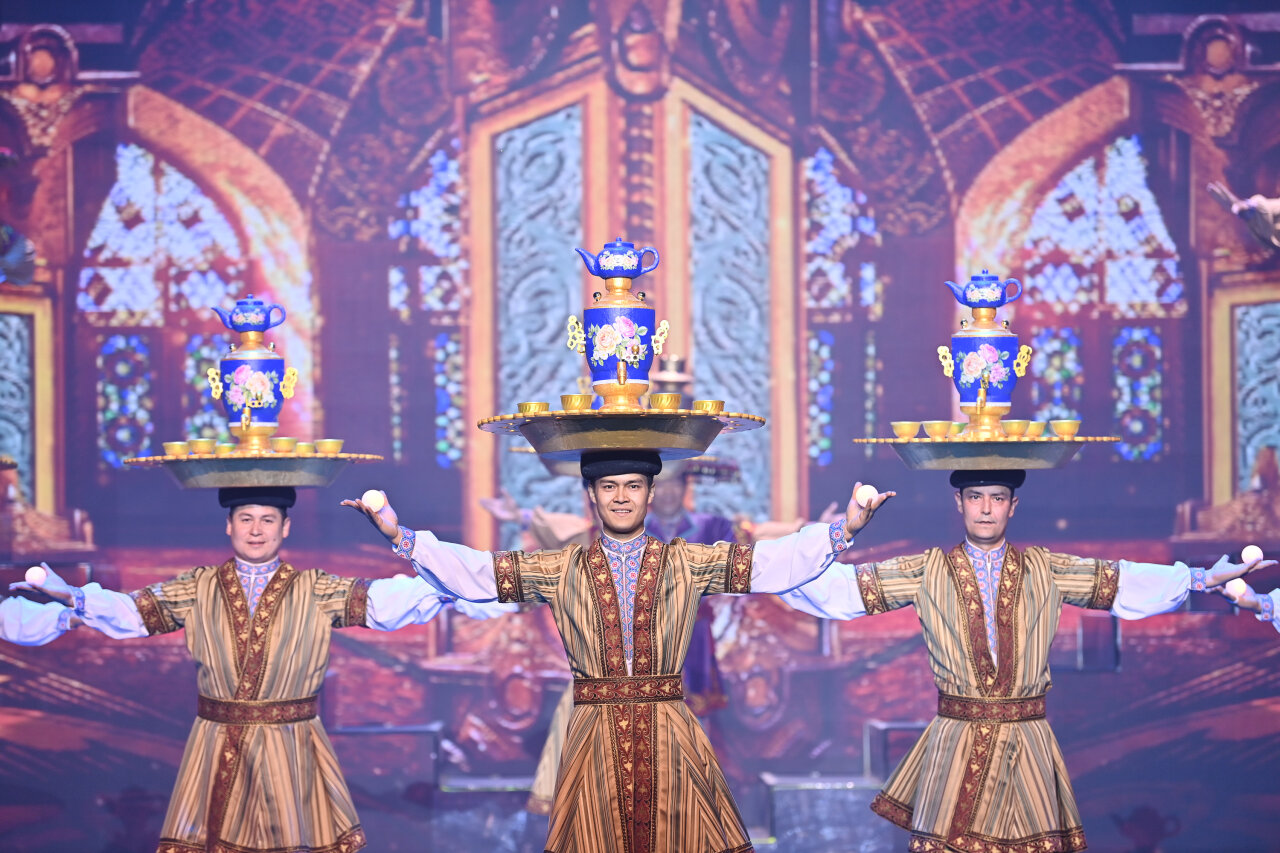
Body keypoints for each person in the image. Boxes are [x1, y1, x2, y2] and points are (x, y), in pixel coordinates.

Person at [346, 449, 893, 853]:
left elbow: (769, 564)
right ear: (592, 495)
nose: (623, 496)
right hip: (592, 732)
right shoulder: (560, 568)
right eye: (609, 486)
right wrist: (402, 538)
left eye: (634, 485)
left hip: (671, 730)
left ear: (651, 493)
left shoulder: (687, 562)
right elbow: (479, 573)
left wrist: (843, 530)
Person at [776, 469, 1272, 853]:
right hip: (956, 741)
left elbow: (1121, 581)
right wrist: (840, 532)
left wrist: (1201, 579)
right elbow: (841, 591)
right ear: (959, 503)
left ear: (1013, 506)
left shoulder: (1045, 568)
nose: (985, 508)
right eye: (975, 497)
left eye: (997, 498)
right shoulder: (926, 570)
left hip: (1028, 740)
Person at [4, 485, 515, 853]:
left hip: (294, 743)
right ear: (229, 526)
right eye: (246, 518)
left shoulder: (315, 589)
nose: (256, 529)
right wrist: (72, 598)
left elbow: (389, 602)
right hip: (216, 744)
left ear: (285, 528)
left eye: (267, 519)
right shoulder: (197, 587)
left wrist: (428, 563)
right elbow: (133, 612)